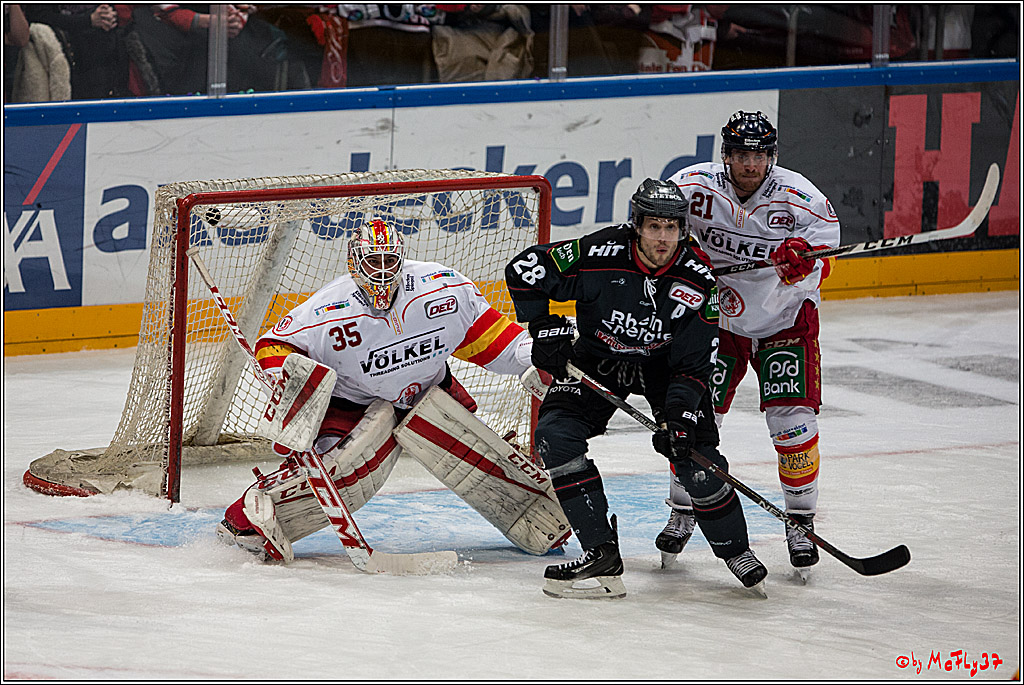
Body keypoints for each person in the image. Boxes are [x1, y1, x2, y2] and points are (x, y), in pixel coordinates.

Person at [217, 217, 568, 562]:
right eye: (373, 261)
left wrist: (539, 354)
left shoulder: (443, 288)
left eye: (389, 260)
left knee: (483, 462)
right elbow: (273, 346)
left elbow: (494, 341)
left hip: (432, 393)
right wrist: (284, 379)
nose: (382, 270)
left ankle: (547, 523)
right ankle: (245, 522)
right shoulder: (325, 311)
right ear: (355, 262)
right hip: (354, 404)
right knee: (339, 475)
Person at [505, 178, 768, 599]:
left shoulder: (698, 282)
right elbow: (523, 270)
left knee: (695, 457)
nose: (662, 238)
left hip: (665, 368)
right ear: (636, 225)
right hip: (598, 359)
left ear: (683, 229)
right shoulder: (598, 252)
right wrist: (545, 327)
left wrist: (679, 416)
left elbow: (696, 365)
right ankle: (601, 552)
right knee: (555, 437)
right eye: (653, 227)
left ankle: (735, 548)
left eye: (671, 228)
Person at [664, 110, 841, 576]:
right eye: (741, 154)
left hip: (785, 318)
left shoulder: (800, 196)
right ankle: (682, 510)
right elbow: (656, 231)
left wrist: (801, 262)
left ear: (771, 156)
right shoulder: (692, 186)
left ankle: (800, 522)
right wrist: (688, 255)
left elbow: (829, 250)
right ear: (726, 155)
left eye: (758, 154)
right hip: (717, 321)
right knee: (695, 416)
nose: (749, 163)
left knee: (793, 424)